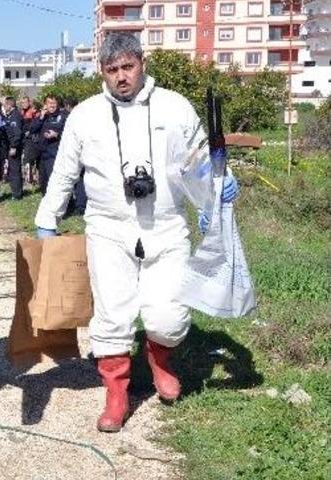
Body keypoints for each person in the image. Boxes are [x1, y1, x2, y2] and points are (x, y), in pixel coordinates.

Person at [32, 33, 240, 432]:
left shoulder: (175, 107)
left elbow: (200, 159)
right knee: (112, 313)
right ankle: (116, 394)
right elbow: (63, 172)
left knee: (169, 316)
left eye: (128, 67)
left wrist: (220, 184)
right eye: (112, 70)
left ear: (142, 63)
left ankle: (160, 359)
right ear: (102, 72)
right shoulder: (85, 115)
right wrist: (48, 218)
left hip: (166, 227)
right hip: (109, 229)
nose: (121, 77)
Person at [29, 94, 65, 195]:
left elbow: (70, 134)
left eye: (54, 103)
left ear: (57, 104)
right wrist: (41, 117)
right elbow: (32, 129)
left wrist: (57, 135)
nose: (52, 105)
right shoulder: (42, 116)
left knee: (54, 181)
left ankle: (61, 204)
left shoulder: (62, 116)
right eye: (49, 103)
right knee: (43, 181)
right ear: (45, 104)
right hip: (42, 154)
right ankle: (46, 201)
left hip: (54, 154)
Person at [62, 97, 87, 216]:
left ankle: (79, 205)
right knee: (79, 180)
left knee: (76, 179)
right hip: (82, 151)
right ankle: (78, 204)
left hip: (76, 151)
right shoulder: (84, 115)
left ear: (67, 106)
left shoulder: (72, 118)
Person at [2, 97, 24, 199]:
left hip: (14, 147)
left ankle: (17, 194)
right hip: (9, 147)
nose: (4, 107)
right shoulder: (10, 116)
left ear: (9, 105)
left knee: (15, 170)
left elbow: (17, 133)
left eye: (5, 105)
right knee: (12, 169)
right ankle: (15, 192)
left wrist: (14, 146)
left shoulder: (15, 116)